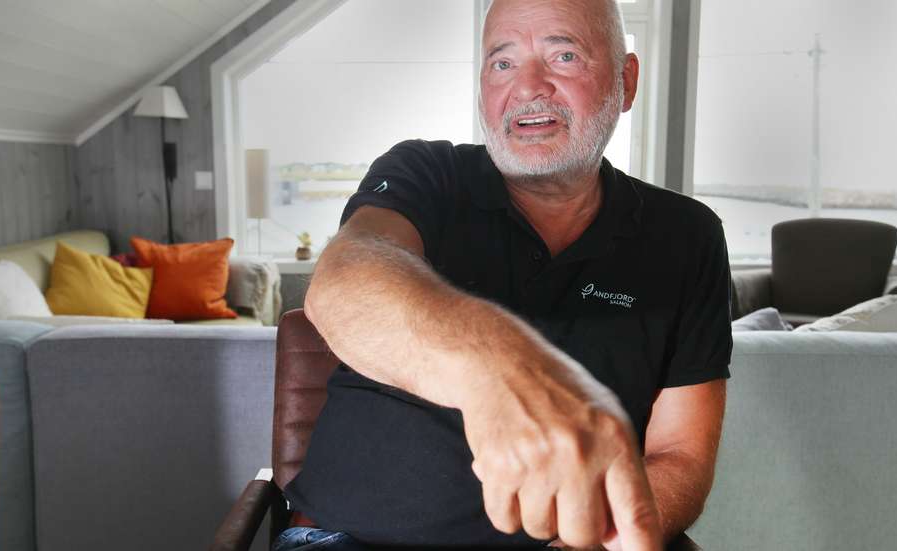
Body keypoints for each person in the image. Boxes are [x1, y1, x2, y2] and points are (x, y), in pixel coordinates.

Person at [279, 0, 733, 549]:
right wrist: (498, 369)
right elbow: (345, 282)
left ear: (626, 81)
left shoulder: (686, 236)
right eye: (503, 62)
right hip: (348, 538)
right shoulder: (426, 174)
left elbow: (679, 455)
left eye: (564, 56)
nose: (527, 86)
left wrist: (596, 540)